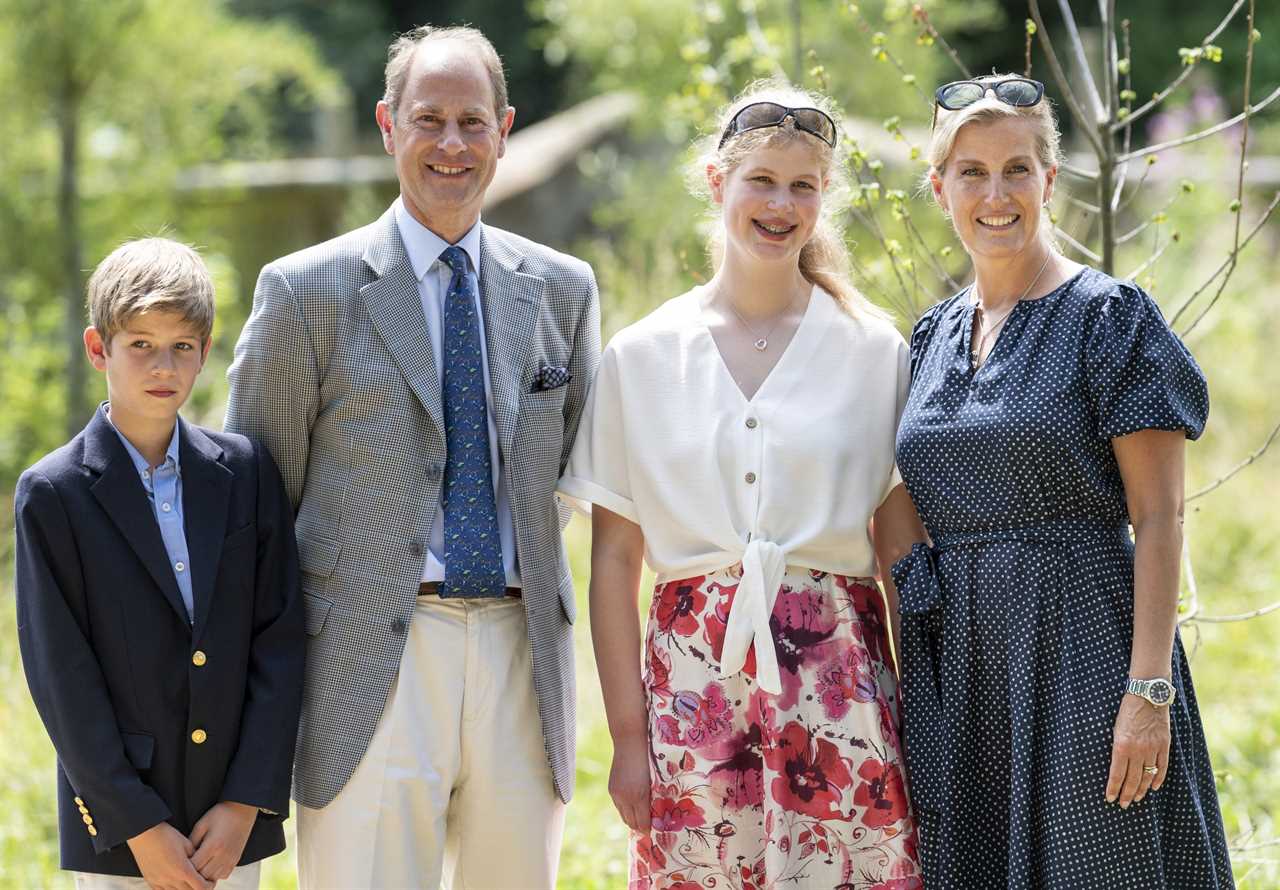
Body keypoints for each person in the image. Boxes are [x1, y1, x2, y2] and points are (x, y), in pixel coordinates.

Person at [224, 24, 601, 890]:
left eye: (473, 121)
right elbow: (256, 509)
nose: (452, 144)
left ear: (504, 129)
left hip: (521, 656)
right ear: (389, 126)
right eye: (428, 119)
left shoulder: (564, 289)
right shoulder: (303, 291)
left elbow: (573, 478)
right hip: (366, 667)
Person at [560, 80, 924, 890]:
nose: (781, 204)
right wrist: (627, 738)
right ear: (718, 183)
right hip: (692, 692)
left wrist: (920, 718)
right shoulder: (642, 355)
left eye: (804, 187)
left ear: (824, 201)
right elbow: (615, 564)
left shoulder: (873, 350)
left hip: (842, 683)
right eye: (761, 180)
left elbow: (898, 551)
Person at [891, 74, 1235, 887]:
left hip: (1087, 653)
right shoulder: (931, 336)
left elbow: (1160, 519)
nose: (996, 193)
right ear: (940, 188)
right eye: (971, 171)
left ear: (1050, 180)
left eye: (1018, 169)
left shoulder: (1109, 317)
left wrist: (1148, 691)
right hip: (968, 670)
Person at [15, 238, 304, 890]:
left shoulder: (247, 472)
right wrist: (138, 825)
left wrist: (243, 804)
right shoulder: (54, 493)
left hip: (228, 826)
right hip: (124, 831)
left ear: (205, 351)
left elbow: (279, 642)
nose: (163, 364)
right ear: (98, 348)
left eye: (182, 345)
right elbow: (62, 676)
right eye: (140, 344)